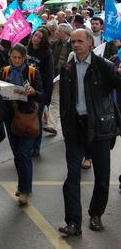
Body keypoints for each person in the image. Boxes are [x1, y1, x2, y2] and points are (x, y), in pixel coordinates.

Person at [58, 29, 121, 236]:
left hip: (100, 128)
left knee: (102, 176)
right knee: (72, 177)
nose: (75, 45)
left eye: (79, 41)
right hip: (75, 129)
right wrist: (66, 128)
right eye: (73, 42)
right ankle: (73, 222)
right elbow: (65, 102)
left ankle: (96, 214)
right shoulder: (67, 68)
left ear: (90, 43)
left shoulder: (104, 66)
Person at [0, 44, 43, 206]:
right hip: (10, 118)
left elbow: (42, 95)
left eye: (19, 58)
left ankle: (25, 190)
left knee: (24, 153)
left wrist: (33, 92)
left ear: (24, 58)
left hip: (27, 117)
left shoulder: (32, 72)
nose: (16, 61)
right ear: (10, 57)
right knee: (17, 153)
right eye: (13, 57)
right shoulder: (5, 72)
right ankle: (22, 183)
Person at [26, 27, 55, 154]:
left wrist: (46, 98)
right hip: (25, 87)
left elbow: (49, 76)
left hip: (39, 90)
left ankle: (36, 147)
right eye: (35, 35)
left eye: (39, 37)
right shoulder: (27, 49)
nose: (36, 38)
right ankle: (27, 143)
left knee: (36, 120)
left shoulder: (47, 53)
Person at [46, 23, 72, 136]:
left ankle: (70, 127)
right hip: (57, 76)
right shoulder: (56, 44)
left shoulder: (74, 42)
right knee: (55, 100)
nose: (56, 33)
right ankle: (51, 125)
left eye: (59, 31)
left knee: (69, 102)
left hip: (70, 78)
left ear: (65, 33)